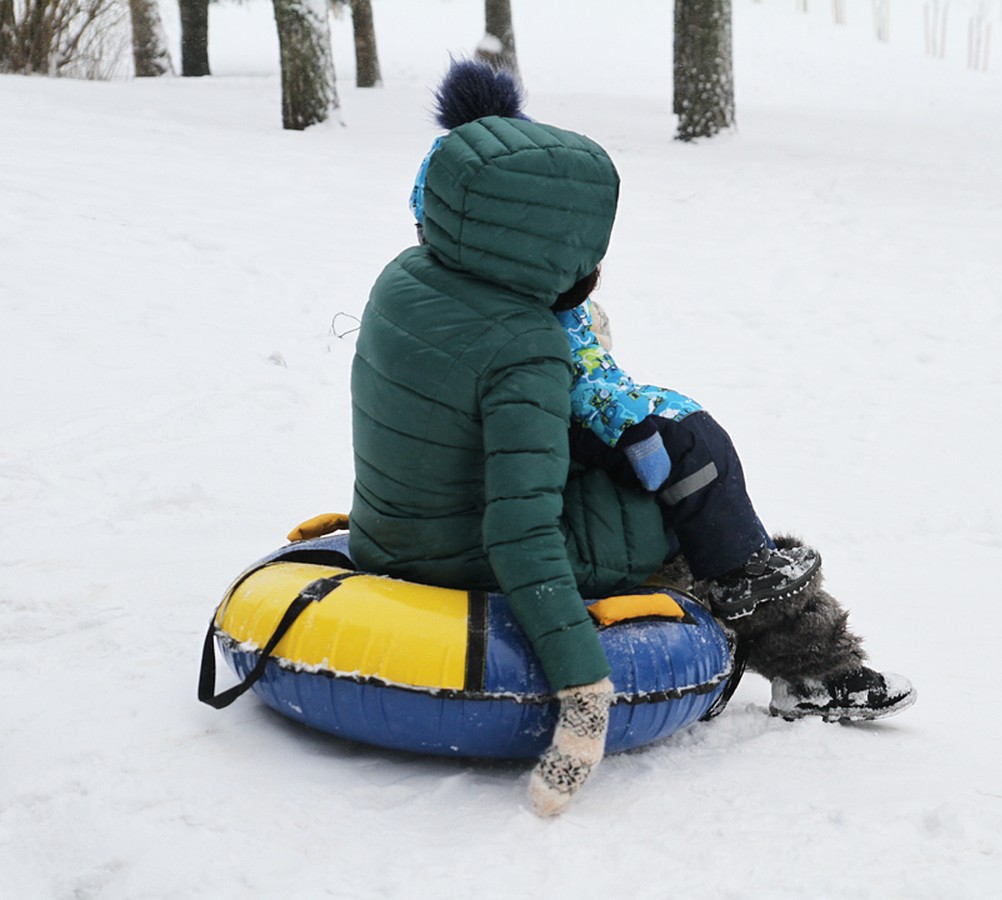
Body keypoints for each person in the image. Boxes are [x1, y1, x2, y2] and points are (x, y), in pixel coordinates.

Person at [350, 62, 913, 818]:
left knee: (675, 460)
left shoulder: (410, 278)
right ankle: (806, 662)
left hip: (400, 529)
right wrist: (584, 692)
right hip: (464, 550)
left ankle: (776, 634)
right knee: (690, 478)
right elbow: (518, 527)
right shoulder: (528, 340)